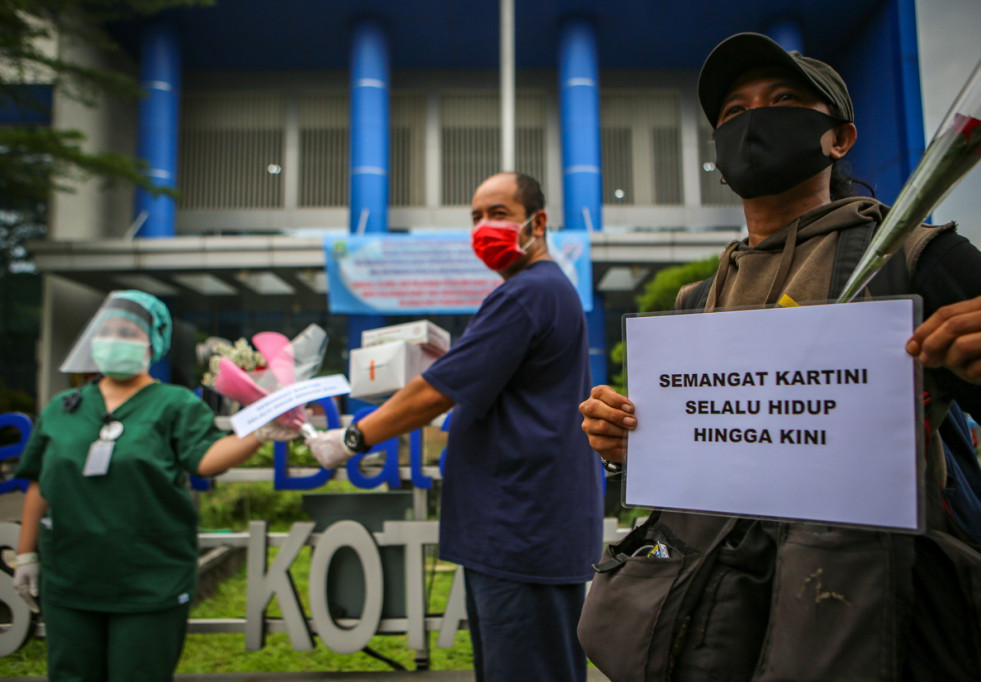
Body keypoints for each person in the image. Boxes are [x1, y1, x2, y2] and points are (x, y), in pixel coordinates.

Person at [579, 33, 981, 680]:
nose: (754, 118)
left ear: (839, 138)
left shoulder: (920, 261)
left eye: (784, 99)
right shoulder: (694, 302)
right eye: (733, 112)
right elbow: (701, 468)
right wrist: (630, 446)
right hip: (721, 630)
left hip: (880, 630)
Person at [308, 172, 604, 682]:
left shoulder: (525, 294)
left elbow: (432, 390)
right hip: (526, 525)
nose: (482, 227)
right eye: (474, 217)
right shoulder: (549, 291)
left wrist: (351, 439)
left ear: (537, 222)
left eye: (497, 214)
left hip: (518, 529)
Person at [11, 290, 298, 682]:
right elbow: (40, 483)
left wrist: (259, 432)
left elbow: (205, 459)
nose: (114, 339)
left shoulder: (174, 405)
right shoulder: (63, 408)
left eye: (127, 331)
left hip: (148, 578)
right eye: (106, 330)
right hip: (71, 577)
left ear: (153, 342)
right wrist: (26, 556)